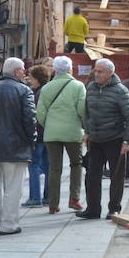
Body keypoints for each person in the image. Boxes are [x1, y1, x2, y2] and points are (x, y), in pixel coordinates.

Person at [0, 57, 36, 235]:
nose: (25, 72)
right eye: (23, 69)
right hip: (15, 146)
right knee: (13, 187)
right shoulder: (24, 91)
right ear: (17, 71)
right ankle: (9, 224)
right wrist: (31, 141)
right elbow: (30, 120)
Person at [80, 58, 129, 219]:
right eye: (95, 71)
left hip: (115, 139)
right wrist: (87, 131)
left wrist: (127, 141)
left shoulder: (121, 91)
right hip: (95, 140)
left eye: (100, 72)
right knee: (92, 175)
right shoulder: (90, 88)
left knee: (116, 177)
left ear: (110, 73)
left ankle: (114, 209)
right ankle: (92, 209)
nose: (96, 74)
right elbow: (87, 112)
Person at [39, 55, 87, 213]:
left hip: (52, 133)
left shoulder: (46, 88)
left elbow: (40, 113)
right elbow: (82, 110)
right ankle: (74, 198)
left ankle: (53, 204)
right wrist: (84, 127)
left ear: (55, 70)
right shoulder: (78, 86)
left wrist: (50, 125)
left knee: (54, 168)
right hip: (73, 132)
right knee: (76, 164)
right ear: (70, 69)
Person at [23, 63, 52, 208]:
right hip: (49, 133)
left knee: (34, 165)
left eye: (32, 77)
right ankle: (48, 197)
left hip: (38, 134)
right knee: (47, 166)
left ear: (38, 78)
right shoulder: (48, 90)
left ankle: (35, 197)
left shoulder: (38, 93)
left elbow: (34, 114)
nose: (29, 80)